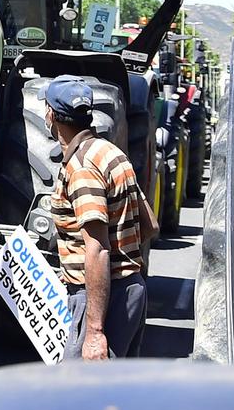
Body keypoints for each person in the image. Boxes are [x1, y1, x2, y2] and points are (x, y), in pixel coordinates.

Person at [42, 76, 154, 361]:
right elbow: (149, 225)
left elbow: (98, 248)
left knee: (77, 399)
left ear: (51, 115)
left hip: (104, 299)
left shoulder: (82, 167)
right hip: (130, 292)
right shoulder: (111, 153)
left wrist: (94, 331)